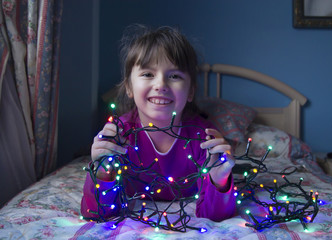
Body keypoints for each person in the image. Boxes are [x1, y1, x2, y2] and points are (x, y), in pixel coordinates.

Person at [81, 25, 237, 223]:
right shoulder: (119, 137)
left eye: (174, 76)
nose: (161, 85)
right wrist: (102, 172)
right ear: (129, 87)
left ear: (190, 91)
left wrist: (219, 179)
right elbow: (96, 213)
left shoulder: (204, 139)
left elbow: (216, 215)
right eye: (147, 74)